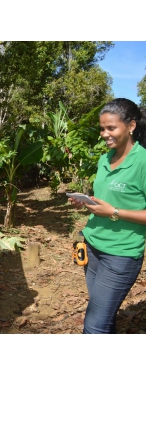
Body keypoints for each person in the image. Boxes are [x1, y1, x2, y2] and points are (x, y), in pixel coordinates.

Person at [68, 98, 146, 334]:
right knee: (105, 318)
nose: (104, 134)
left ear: (130, 126)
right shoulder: (104, 159)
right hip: (93, 246)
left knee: (93, 326)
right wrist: (86, 203)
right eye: (102, 128)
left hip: (121, 254)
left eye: (111, 128)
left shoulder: (142, 161)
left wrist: (113, 212)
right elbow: (105, 198)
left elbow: (113, 207)